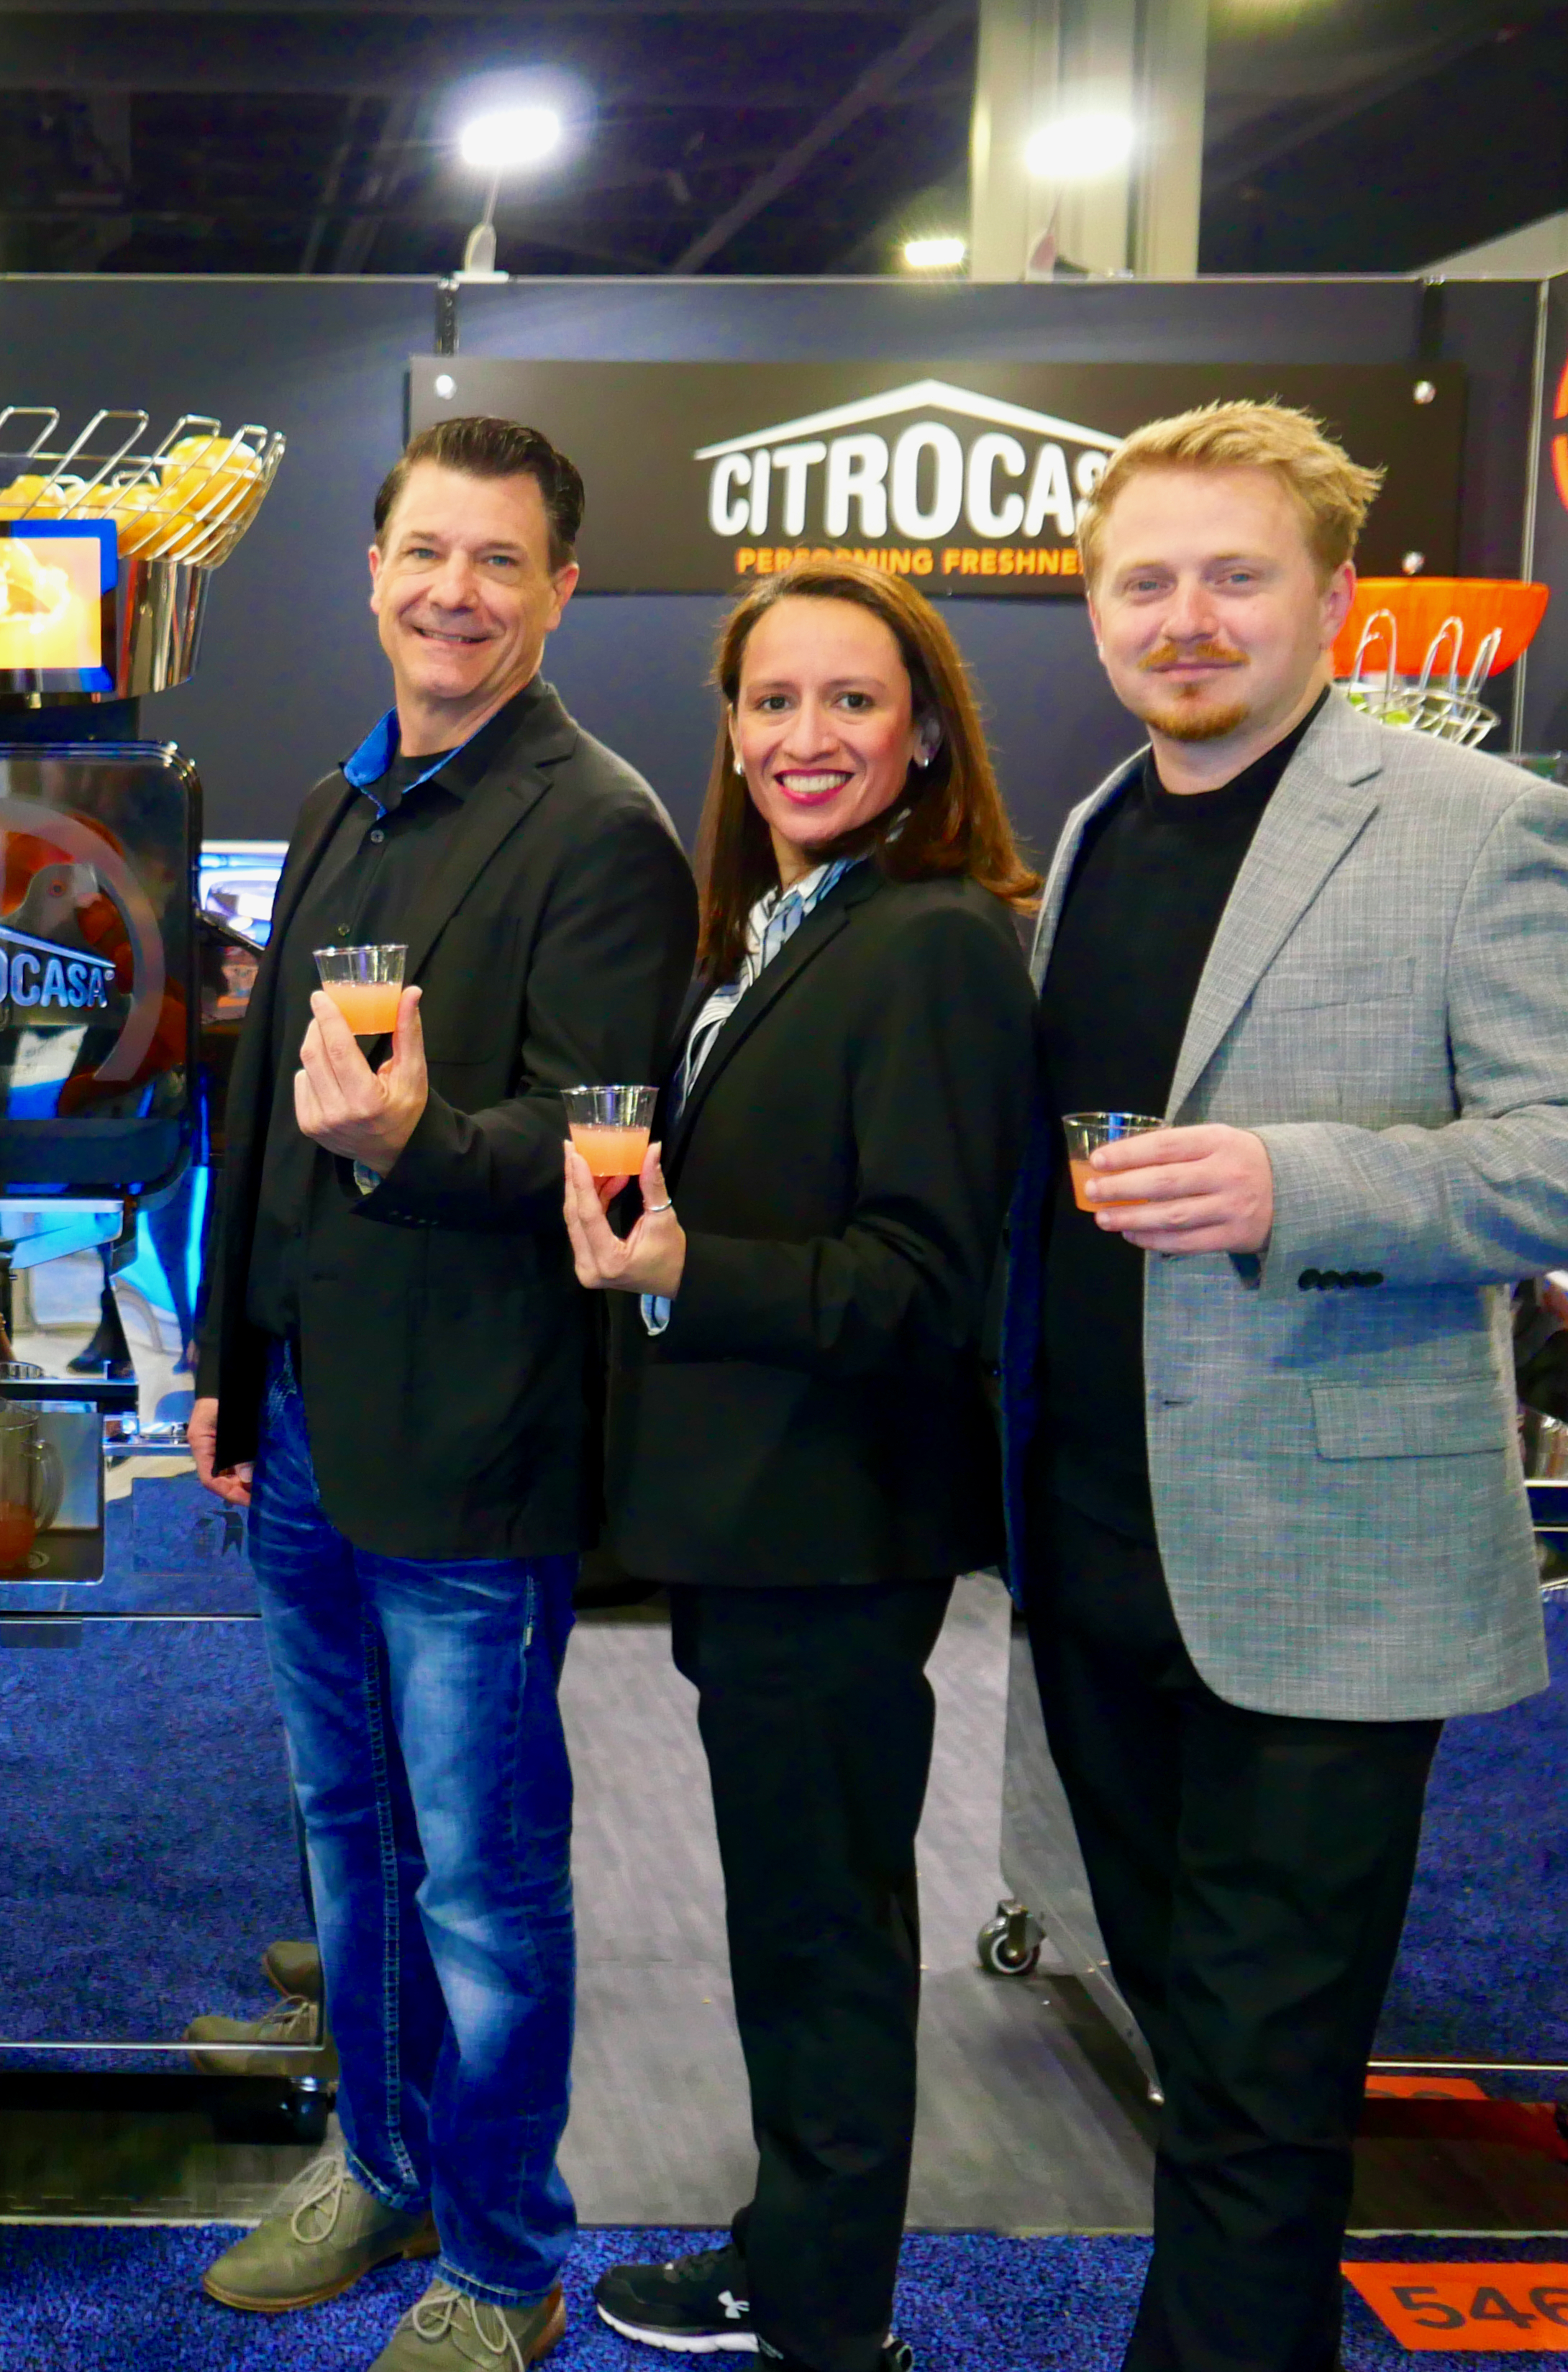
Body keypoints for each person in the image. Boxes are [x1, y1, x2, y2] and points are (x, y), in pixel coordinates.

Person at [1007, 400, 1568, 2372]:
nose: (1184, 618)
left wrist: (1300, 1183)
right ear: (1094, 604)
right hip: (1101, 1553)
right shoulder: (1097, 823)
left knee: (1265, 2083)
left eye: (1233, 576)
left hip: (1329, 1571)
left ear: (1333, 600)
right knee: (1201, 2062)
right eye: (1145, 580)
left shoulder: (1481, 829)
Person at [188, 416, 699, 2372]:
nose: (450, 592)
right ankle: (378, 2157)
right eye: (423, 552)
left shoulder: (598, 827)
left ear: (558, 589)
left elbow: (597, 1152)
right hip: (315, 1424)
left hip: (473, 1448)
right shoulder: (346, 798)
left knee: (481, 1878)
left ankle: (500, 2254)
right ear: (373, 567)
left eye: (497, 561)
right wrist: (233, 1382)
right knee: (349, 1836)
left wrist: (413, 1144)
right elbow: (261, 1123)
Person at [565, 562, 1038, 2372]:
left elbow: (928, 1286)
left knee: (823, 1935)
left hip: (834, 1529)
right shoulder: (779, 923)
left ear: (922, 731)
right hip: (757, 1525)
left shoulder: (928, 940)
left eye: (850, 702)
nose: (803, 738)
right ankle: (795, 2252)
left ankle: (827, 2312)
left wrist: (691, 1268)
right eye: (771, 703)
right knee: (794, 1919)